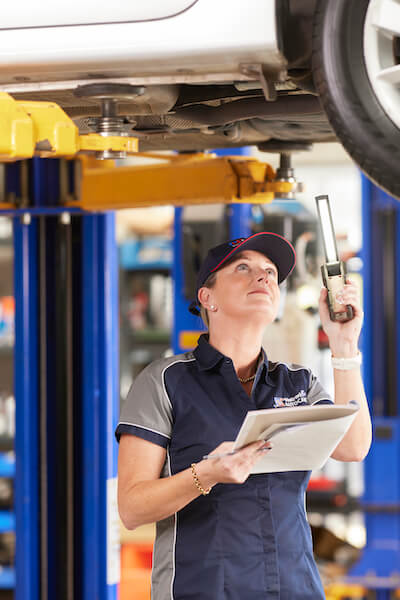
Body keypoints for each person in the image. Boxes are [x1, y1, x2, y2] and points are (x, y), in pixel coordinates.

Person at [116, 232, 372, 600]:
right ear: (208, 297)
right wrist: (207, 474)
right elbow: (132, 508)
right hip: (202, 590)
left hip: (293, 588)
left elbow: (354, 447)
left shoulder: (296, 382)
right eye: (243, 267)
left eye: (270, 271)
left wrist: (344, 344)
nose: (264, 276)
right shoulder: (166, 381)